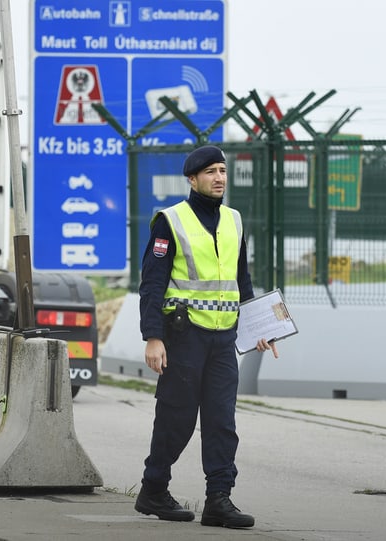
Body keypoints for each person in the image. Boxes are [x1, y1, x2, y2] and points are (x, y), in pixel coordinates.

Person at [134, 145, 277, 528]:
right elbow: (152, 283)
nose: (219, 178)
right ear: (192, 179)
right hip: (183, 337)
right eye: (211, 171)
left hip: (222, 341)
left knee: (221, 421)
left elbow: (240, 281)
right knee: (176, 419)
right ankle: (153, 488)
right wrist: (153, 337)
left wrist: (259, 328)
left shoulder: (234, 221)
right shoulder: (171, 220)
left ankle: (219, 498)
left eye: (223, 170)